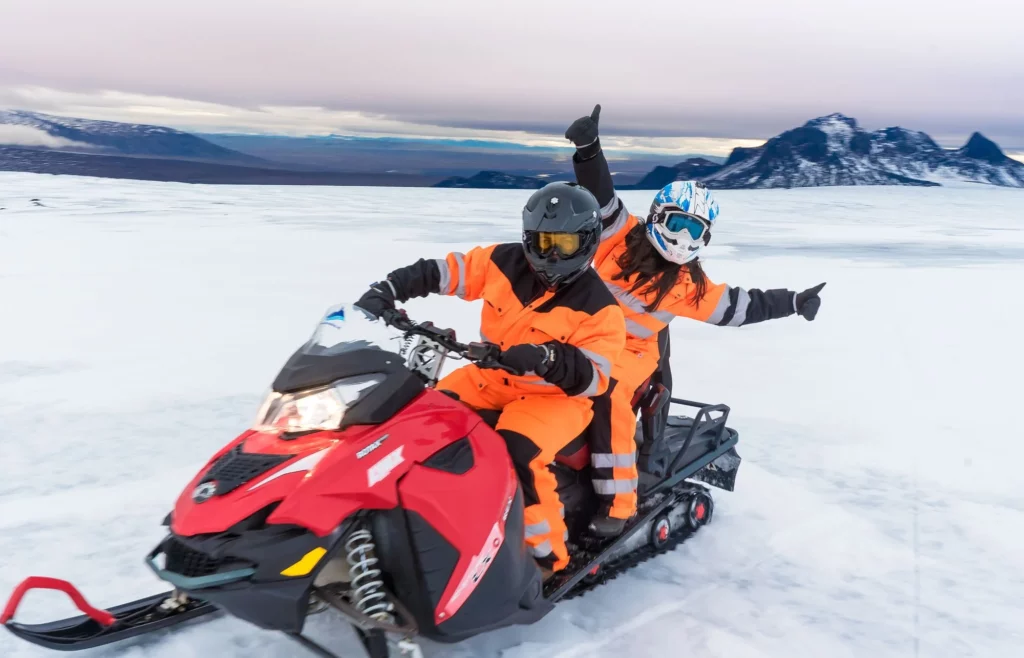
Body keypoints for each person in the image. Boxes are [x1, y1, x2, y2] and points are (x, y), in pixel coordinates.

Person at [564, 105, 827, 536]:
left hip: (629, 356)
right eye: (679, 223)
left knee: (606, 399)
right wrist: (590, 150)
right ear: (658, 218)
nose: (684, 238)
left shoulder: (689, 285)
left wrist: (793, 301)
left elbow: (740, 307)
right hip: (581, 335)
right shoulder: (618, 238)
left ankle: (617, 503)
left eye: (695, 229)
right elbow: (601, 195)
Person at [354, 182, 626, 575]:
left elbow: (594, 378)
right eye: (542, 240)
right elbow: (443, 272)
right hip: (491, 375)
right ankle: (408, 521)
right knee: (415, 420)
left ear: (585, 243)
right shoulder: (502, 261)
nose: (550, 253)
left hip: (552, 399)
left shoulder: (600, 308)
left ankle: (546, 558)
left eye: (563, 244)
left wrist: (547, 358)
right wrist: (392, 288)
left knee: (519, 454)